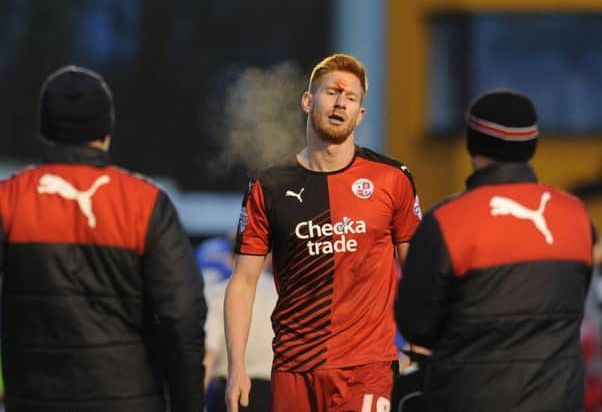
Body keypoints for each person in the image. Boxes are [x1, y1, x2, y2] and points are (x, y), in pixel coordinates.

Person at [0, 65, 206, 412]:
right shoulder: (145, 203)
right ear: (106, 130)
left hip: (34, 400)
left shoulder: (9, 201)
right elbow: (182, 316)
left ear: (44, 129)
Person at [224, 53, 423, 412]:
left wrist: (424, 347)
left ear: (360, 115)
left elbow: (419, 271)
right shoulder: (268, 185)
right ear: (307, 100)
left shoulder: (392, 178)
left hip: (368, 367)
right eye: (332, 92)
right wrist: (236, 366)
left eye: (351, 98)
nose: (340, 103)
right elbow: (242, 282)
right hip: (295, 368)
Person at [395, 90, 596, 412]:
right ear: (531, 145)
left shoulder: (446, 221)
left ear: (472, 143)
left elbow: (416, 325)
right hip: (560, 400)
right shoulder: (576, 216)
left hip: (469, 398)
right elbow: (572, 304)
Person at [198, 237, 276, 412]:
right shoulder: (282, 294)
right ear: (269, 258)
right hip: (273, 395)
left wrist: (193, 403)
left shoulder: (215, 294)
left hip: (230, 394)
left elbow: (207, 356)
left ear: (230, 259)